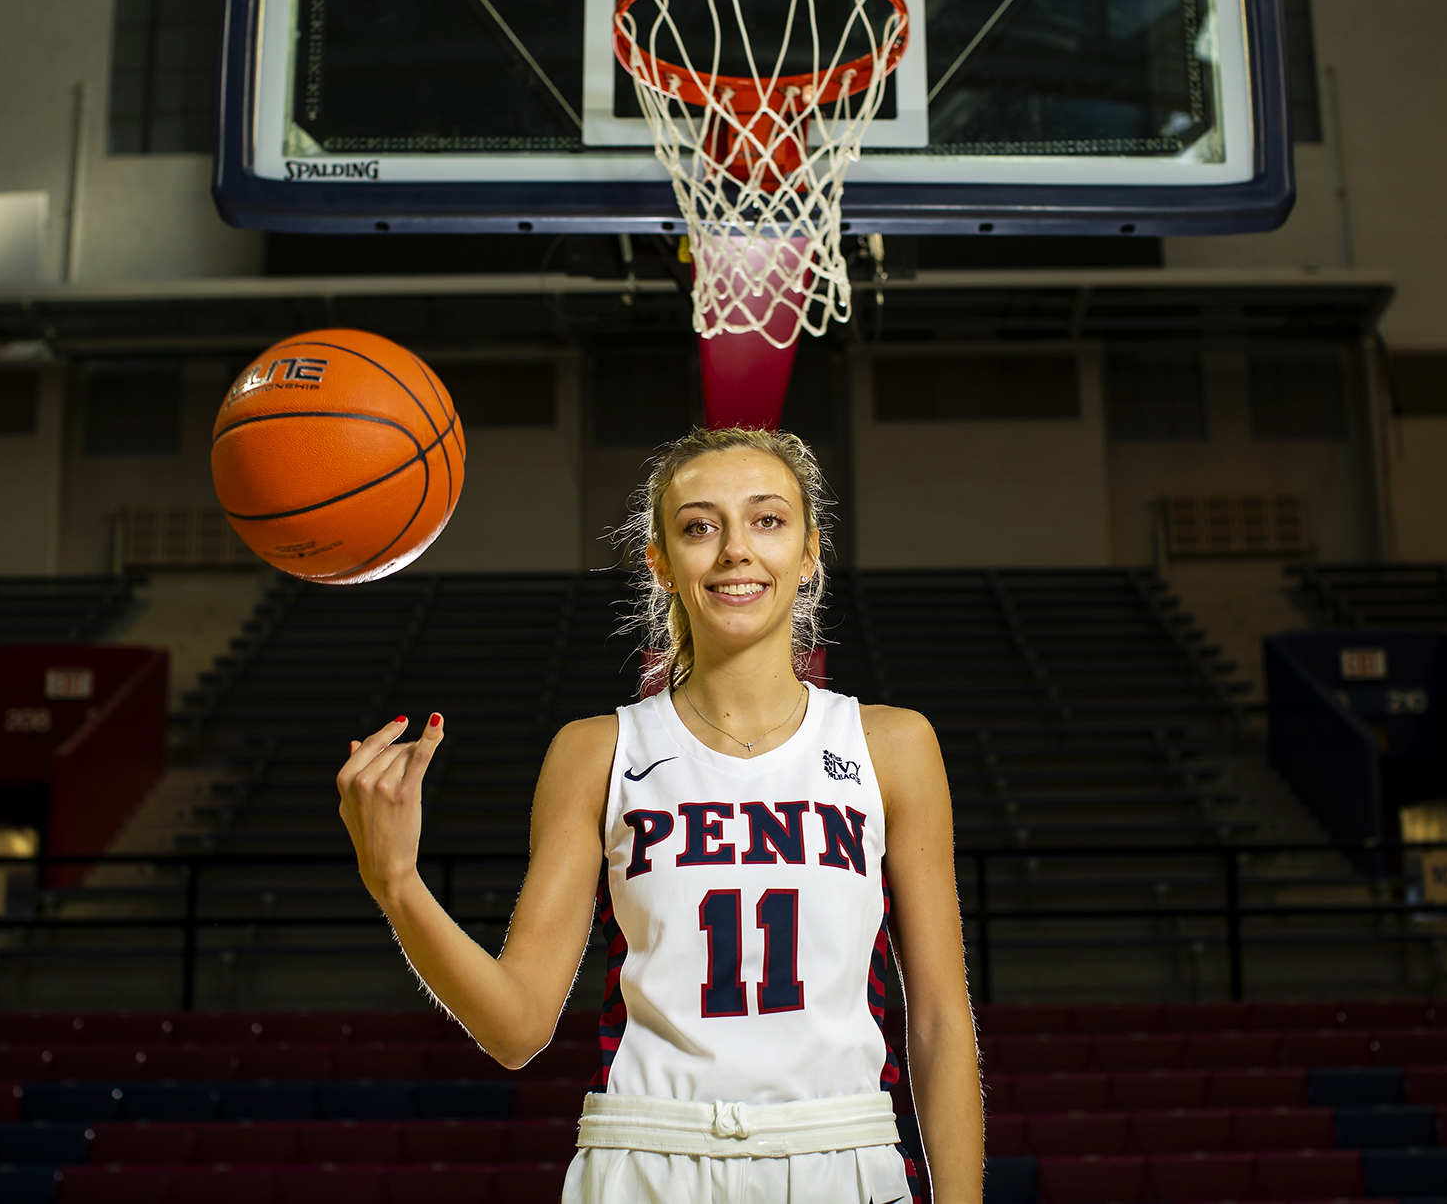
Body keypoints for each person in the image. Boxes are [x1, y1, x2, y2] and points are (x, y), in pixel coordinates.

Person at [336, 427, 982, 1203]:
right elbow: (516, 1028)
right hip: (648, 1155)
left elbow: (942, 1021)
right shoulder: (597, 751)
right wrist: (398, 883)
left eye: (767, 520)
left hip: (840, 1152)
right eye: (699, 526)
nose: (736, 549)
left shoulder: (892, 744)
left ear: (810, 552)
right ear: (662, 563)